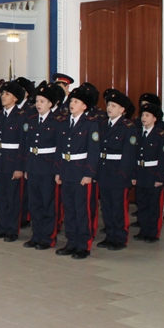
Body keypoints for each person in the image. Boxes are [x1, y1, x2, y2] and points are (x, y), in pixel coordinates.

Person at [54, 85, 100, 259]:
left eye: (76, 101)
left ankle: (83, 244)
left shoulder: (90, 124)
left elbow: (93, 151)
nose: (72, 104)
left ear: (84, 106)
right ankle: (71, 241)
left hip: (81, 172)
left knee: (82, 209)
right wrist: (58, 171)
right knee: (69, 208)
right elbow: (59, 149)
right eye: (71, 100)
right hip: (66, 170)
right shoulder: (64, 123)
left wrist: (89, 173)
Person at [22, 83, 65, 250]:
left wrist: (57, 170)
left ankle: (48, 237)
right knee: (34, 204)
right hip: (33, 166)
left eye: (42, 101)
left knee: (48, 204)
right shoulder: (32, 120)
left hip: (48, 167)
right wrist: (26, 167)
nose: (38, 104)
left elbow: (60, 148)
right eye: (37, 101)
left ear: (51, 104)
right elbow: (27, 145)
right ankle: (36, 235)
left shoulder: (57, 121)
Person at [95, 89, 138, 251]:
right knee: (106, 207)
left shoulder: (128, 127)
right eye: (108, 105)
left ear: (122, 109)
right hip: (104, 171)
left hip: (118, 172)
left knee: (118, 207)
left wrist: (123, 174)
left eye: (113, 106)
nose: (109, 108)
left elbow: (129, 154)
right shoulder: (102, 125)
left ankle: (120, 238)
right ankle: (109, 235)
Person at [0, 82, 27, 242]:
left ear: (15, 98)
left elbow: (23, 144)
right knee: (2, 197)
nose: (3, 96)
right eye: (3, 93)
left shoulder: (21, 116)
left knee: (13, 198)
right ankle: (2, 227)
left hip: (13, 162)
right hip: (1, 161)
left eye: (7, 94)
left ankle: (12, 230)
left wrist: (19, 167)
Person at [132, 103, 164, 243]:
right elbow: (134, 156)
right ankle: (143, 230)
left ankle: (153, 233)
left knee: (154, 205)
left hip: (154, 173)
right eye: (142, 115)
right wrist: (133, 175)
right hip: (141, 173)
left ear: (154, 118)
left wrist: (160, 177)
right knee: (142, 203)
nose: (143, 117)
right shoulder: (137, 133)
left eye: (147, 115)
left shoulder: (161, 135)